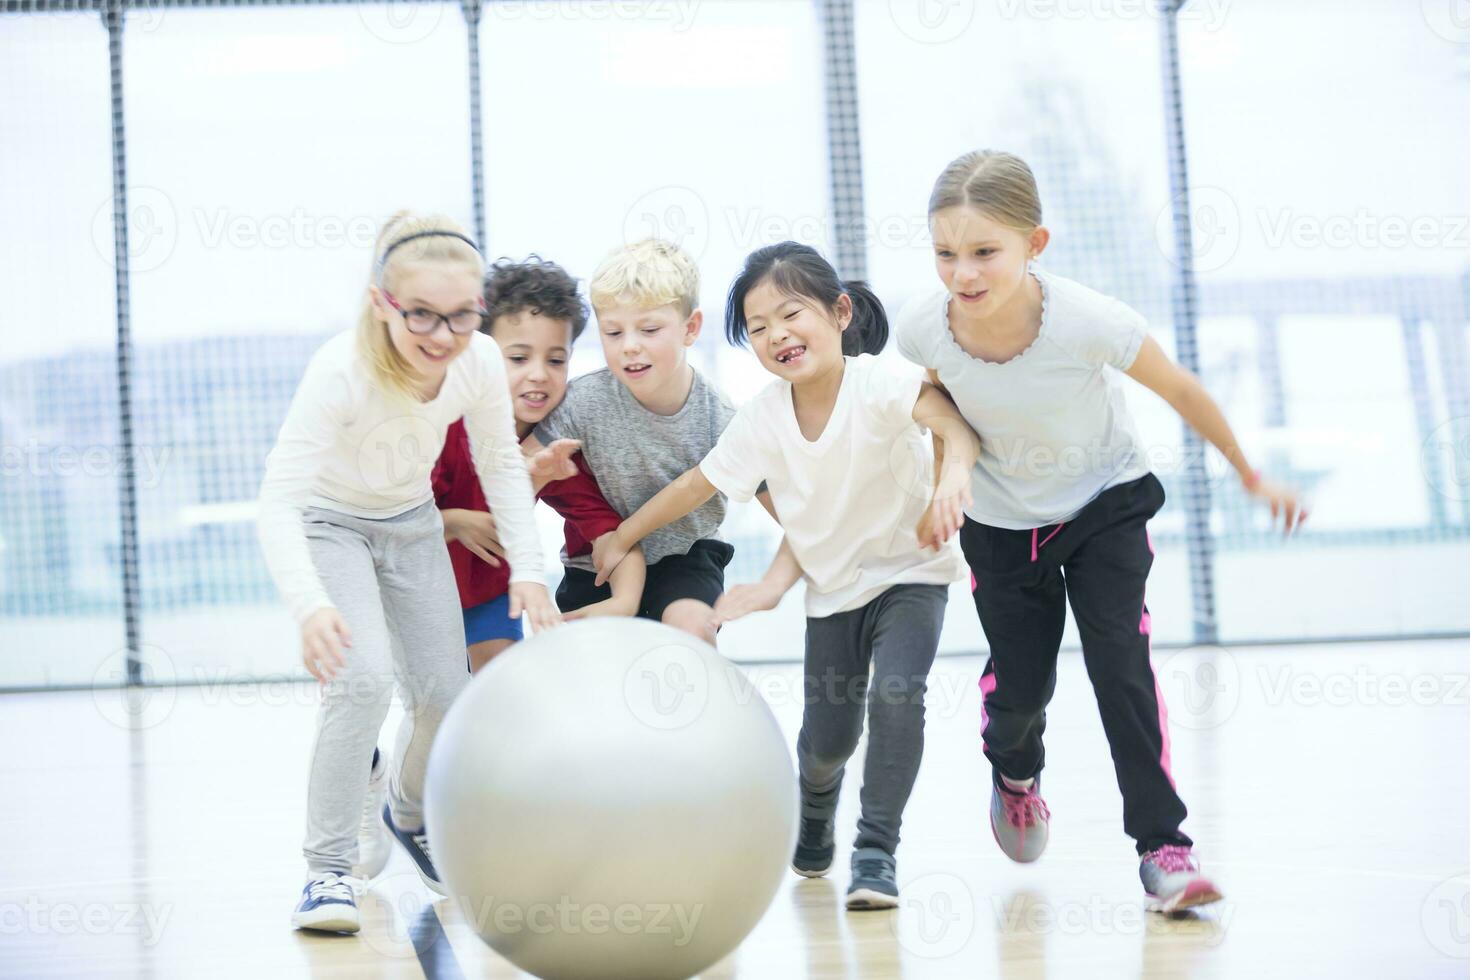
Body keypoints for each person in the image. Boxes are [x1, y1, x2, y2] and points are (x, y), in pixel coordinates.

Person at [895, 150, 1305, 912]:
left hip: (1104, 505)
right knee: (1023, 687)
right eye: (946, 253)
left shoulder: (1088, 320)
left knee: (1121, 665)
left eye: (985, 252)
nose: (963, 273)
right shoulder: (924, 327)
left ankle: (1164, 848)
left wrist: (1250, 475)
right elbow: (926, 401)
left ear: (1034, 245)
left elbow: (1180, 388)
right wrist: (944, 478)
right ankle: (1015, 774)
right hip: (1000, 521)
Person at [593, 242, 979, 910]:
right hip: (832, 594)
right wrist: (624, 535)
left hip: (913, 575)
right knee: (826, 745)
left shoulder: (879, 385)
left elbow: (949, 421)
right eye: (760, 327)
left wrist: (953, 478)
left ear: (839, 312)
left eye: (790, 314)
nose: (777, 335)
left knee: (897, 695)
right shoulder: (764, 419)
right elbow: (696, 484)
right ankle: (817, 803)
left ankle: (875, 852)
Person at [257, 212, 560, 933]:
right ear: (380, 304)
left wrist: (531, 568)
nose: (441, 335)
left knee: (446, 698)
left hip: (412, 524)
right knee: (362, 683)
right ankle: (327, 871)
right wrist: (309, 605)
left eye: (461, 315)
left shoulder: (479, 361)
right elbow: (279, 499)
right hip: (332, 526)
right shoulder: (341, 372)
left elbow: (499, 465)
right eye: (420, 314)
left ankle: (406, 813)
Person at [525, 238, 766, 645]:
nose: (629, 346)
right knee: (588, 667)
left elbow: (775, 494)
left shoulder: (719, 417)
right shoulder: (582, 402)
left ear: (690, 328)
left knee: (692, 630)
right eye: (613, 332)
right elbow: (517, 469)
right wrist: (533, 471)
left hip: (687, 557)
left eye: (649, 329)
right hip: (596, 564)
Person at [431, 256, 646, 674]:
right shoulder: (444, 425)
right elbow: (395, 520)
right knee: (431, 705)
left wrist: (624, 601)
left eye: (555, 360)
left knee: (502, 692)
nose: (539, 375)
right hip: (418, 591)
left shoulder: (554, 442)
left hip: (491, 594)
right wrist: (456, 521)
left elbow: (608, 532)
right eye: (518, 358)